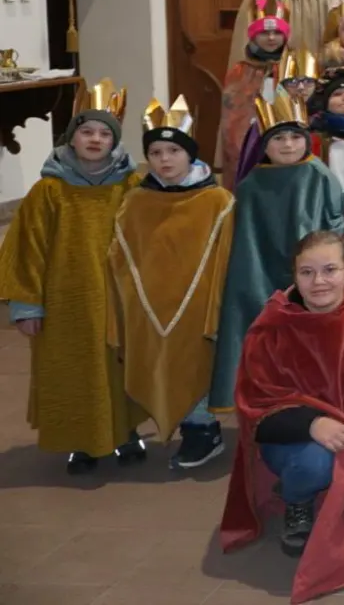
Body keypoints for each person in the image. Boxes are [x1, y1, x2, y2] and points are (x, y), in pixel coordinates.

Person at [220, 231, 344, 600]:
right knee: (315, 463)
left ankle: (332, 489)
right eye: (307, 272)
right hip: (294, 442)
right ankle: (299, 499)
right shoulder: (274, 324)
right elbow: (254, 406)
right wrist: (312, 423)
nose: (319, 281)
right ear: (293, 274)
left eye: (329, 270)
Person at [1, 81, 142, 473]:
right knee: (75, 367)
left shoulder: (130, 187)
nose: (95, 139)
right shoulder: (49, 190)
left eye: (104, 133)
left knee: (121, 365)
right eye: (87, 131)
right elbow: (27, 249)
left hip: (119, 297)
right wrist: (27, 304)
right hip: (66, 303)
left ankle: (128, 433)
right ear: (71, 137)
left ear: (114, 142)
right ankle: (82, 442)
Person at [108, 97, 236, 470]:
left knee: (196, 365)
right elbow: (120, 256)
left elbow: (226, 255)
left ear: (191, 156)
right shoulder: (134, 203)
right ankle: (177, 425)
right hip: (147, 304)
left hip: (199, 305)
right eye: (156, 152)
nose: (165, 160)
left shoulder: (218, 201)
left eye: (174, 151)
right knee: (161, 366)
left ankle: (202, 431)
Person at [212, 91, 344, 416]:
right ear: (264, 145)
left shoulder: (319, 175)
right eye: (278, 139)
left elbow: (336, 224)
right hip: (257, 273)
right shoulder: (251, 184)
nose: (287, 145)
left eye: (294, 137)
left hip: (310, 272)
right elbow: (243, 236)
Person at [216, 0, 290, 188]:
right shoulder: (240, 72)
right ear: (253, 37)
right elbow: (231, 119)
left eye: (277, 33)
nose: (271, 38)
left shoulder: (294, 67)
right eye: (265, 33)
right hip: (249, 144)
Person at [233, 47, 321, 189]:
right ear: (280, 84)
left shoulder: (325, 121)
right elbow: (250, 171)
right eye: (292, 81)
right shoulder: (266, 121)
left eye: (308, 81)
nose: (300, 87)